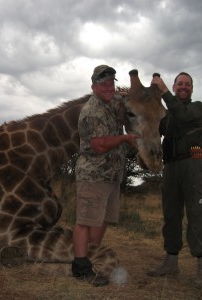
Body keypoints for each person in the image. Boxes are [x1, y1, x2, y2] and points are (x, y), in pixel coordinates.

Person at [71, 65, 139, 286]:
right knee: (85, 221)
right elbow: (99, 145)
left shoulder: (110, 101)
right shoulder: (92, 111)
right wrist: (124, 138)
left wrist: (131, 94)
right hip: (93, 176)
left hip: (111, 176)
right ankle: (80, 267)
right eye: (104, 84)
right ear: (93, 86)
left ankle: (91, 258)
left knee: (102, 220)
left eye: (111, 83)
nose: (109, 88)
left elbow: (125, 96)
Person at [147, 72, 202, 287]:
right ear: (174, 85)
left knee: (197, 215)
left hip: (194, 164)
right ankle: (171, 262)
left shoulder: (197, 108)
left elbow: (183, 115)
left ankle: (200, 268)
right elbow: (151, 124)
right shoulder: (167, 113)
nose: (184, 87)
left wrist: (163, 92)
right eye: (180, 84)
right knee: (171, 215)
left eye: (187, 84)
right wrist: (138, 99)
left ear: (191, 88)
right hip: (170, 167)